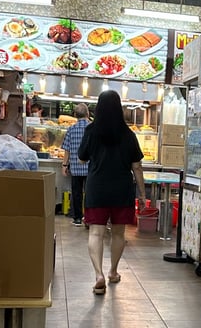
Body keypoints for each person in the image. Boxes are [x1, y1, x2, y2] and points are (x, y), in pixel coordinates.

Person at [78, 90, 146, 295]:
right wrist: (142, 194)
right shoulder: (129, 134)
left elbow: (82, 158)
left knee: (96, 232)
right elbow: (137, 167)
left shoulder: (91, 131)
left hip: (97, 187)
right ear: (119, 108)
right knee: (118, 233)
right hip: (121, 188)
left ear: (97, 108)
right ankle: (113, 272)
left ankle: (98, 274)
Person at [61, 103, 90, 226]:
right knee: (90, 194)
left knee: (76, 193)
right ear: (88, 114)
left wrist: (64, 165)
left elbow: (66, 149)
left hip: (75, 167)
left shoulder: (71, 129)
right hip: (91, 168)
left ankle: (78, 218)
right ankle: (89, 219)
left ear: (74, 115)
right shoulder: (92, 128)